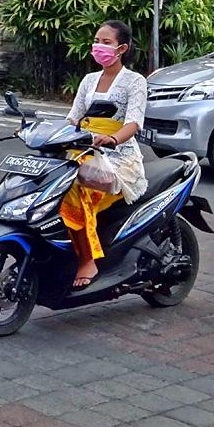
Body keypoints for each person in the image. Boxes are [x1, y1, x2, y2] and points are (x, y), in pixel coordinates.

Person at [62, 20, 149, 289]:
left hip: (118, 157)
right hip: (83, 150)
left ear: (122, 48)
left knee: (76, 189)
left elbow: (133, 123)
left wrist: (112, 139)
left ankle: (88, 259)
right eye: (97, 41)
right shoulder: (89, 80)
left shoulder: (135, 81)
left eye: (106, 42)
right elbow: (73, 119)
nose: (99, 46)